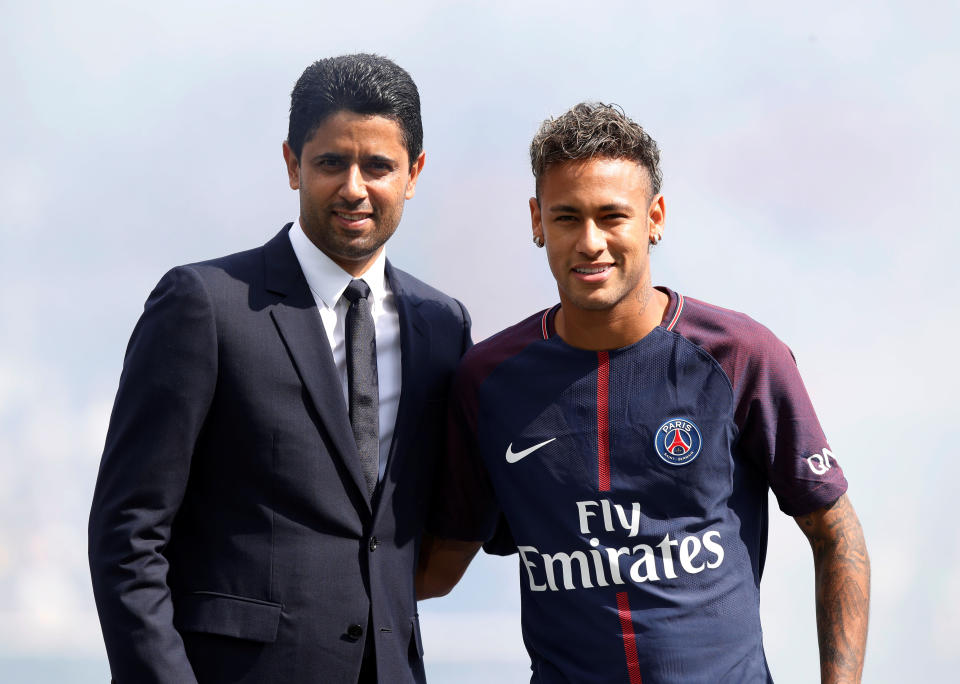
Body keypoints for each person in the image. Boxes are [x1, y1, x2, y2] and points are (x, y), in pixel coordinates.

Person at [418, 102, 870, 683]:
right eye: (566, 217)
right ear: (536, 221)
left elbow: (838, 536)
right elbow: (436, 567)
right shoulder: (487, 380)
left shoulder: (740, 355)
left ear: (654, 216)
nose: (590, 242)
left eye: (612, 216)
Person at [88, 53, 472, 684]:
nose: (354, 187)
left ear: (413, 173)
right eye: (330, 163)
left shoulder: (442, 324)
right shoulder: (204, 305)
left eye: (378, 166)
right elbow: (128, 537)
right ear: (293, 164)